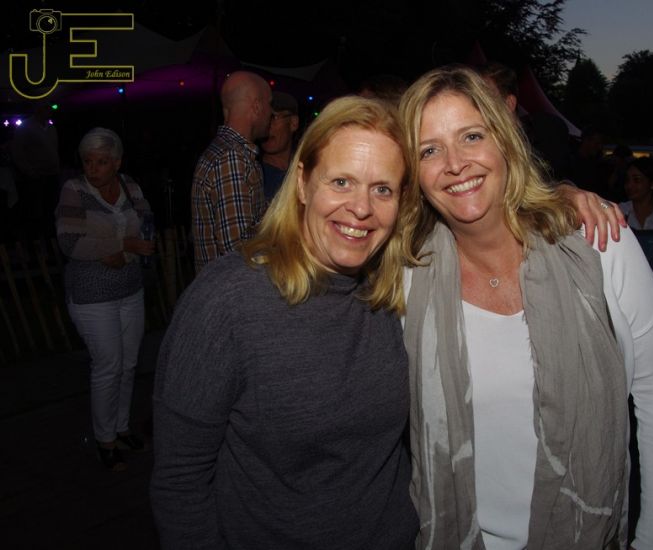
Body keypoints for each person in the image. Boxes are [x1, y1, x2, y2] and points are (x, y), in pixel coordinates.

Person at [398, 66, 653, 550]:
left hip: (586, 533)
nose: (455, 163)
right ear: (414, 174)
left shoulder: (600, 246)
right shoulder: (408, 279)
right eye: (429, 150)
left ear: (505, 140)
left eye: (471, 136)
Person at [151, 97, 419, 549]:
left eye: (382, 189)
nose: (361, 208)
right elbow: (181, 479)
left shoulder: (394, 289)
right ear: (302, 183)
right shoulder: (227, 301)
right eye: (341, 181)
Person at [55, 127, 154, 471]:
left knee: (128, 364)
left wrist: (122, 250)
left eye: (101, 162)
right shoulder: (75, 191)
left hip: (130, 289)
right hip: (92, 295)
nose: (93, 169)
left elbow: (146, 228)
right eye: (88, 162)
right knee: (108, 365)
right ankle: (104, 440)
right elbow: (70, 242)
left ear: (117, 162)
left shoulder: (130, 187)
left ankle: (121, 428)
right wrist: (121, 245)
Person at [191, 70, 272, 270]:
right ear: (257, 106)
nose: (271, 112)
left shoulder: (228, 152)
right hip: (232, 287)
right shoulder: (231, 158)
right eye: (269, 104)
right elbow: (238, 252)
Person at [11, 100, 60, 237]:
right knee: (35, 211)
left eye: (50, 108)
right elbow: (17, 152)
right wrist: (29, 172)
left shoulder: (51, 127)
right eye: (46, 108)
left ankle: (50, 237)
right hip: (36, 177)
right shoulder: (25, 127)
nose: (49, 110)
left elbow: (54, 149)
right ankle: (36, 240)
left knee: (51, 208)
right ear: (37, 109)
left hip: (52, 175)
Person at [260, 91, 299, 201]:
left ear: (293, 123)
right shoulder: (254, 175)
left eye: (273, 117)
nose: (266, 125)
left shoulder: (306, 168)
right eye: (262, 118)